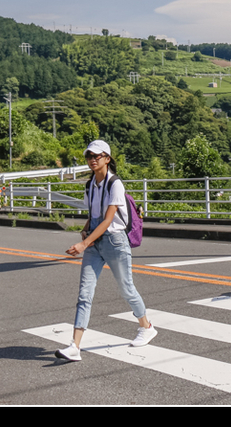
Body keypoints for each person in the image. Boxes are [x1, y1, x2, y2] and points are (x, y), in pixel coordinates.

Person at [55, 140, 156, 362]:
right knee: (84, 294)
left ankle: (146, 326)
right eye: (89, 156)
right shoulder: (90, 184)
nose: (92, 159)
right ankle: (75, 346)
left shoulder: (115, 184)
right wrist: (85, 231)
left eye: (97, 156)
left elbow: (109, 219)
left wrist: (83, 243)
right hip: (95, 243)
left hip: (115, 242)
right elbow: (94, 215)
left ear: (107, 158)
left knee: (127, 288)